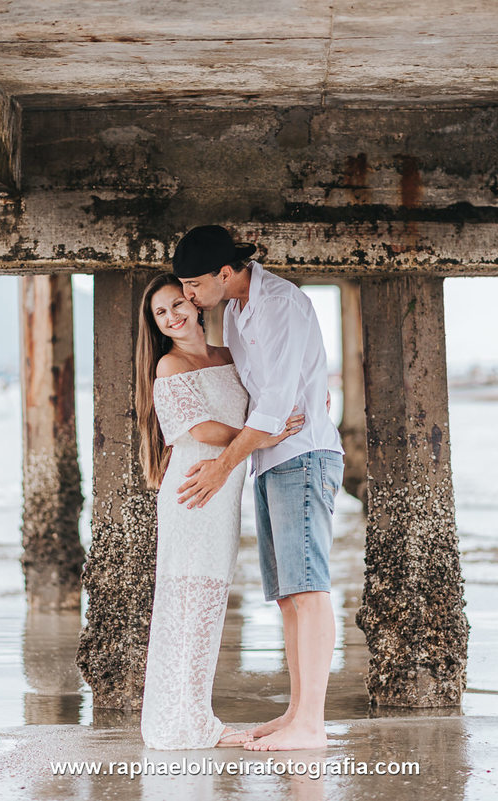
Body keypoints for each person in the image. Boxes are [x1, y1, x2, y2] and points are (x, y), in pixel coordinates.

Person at [172, 225, 345, 752]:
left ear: (226, 272)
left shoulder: (280, 304)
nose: (188, 297)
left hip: (303, 453)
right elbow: (263, 398)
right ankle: (297, 711)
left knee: (309, 587)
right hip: (271, 460)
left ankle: (311, 724)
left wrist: (222, 466)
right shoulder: (237, 310)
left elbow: (276, 404)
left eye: (194, 285)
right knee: (288, 593)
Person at [135, 272, 306, 749]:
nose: (172, 317)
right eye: (160, 313)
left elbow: (270, 386)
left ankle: (194, 717)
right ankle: (178, 725)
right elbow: (203, 429)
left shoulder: (229, 356)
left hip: (223, 490)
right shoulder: (169, 365)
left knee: (206, 604)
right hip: (195, 489)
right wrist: (261, 438)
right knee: (186, 602)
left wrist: (311, 396)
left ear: (196, 302)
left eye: (176, 305)